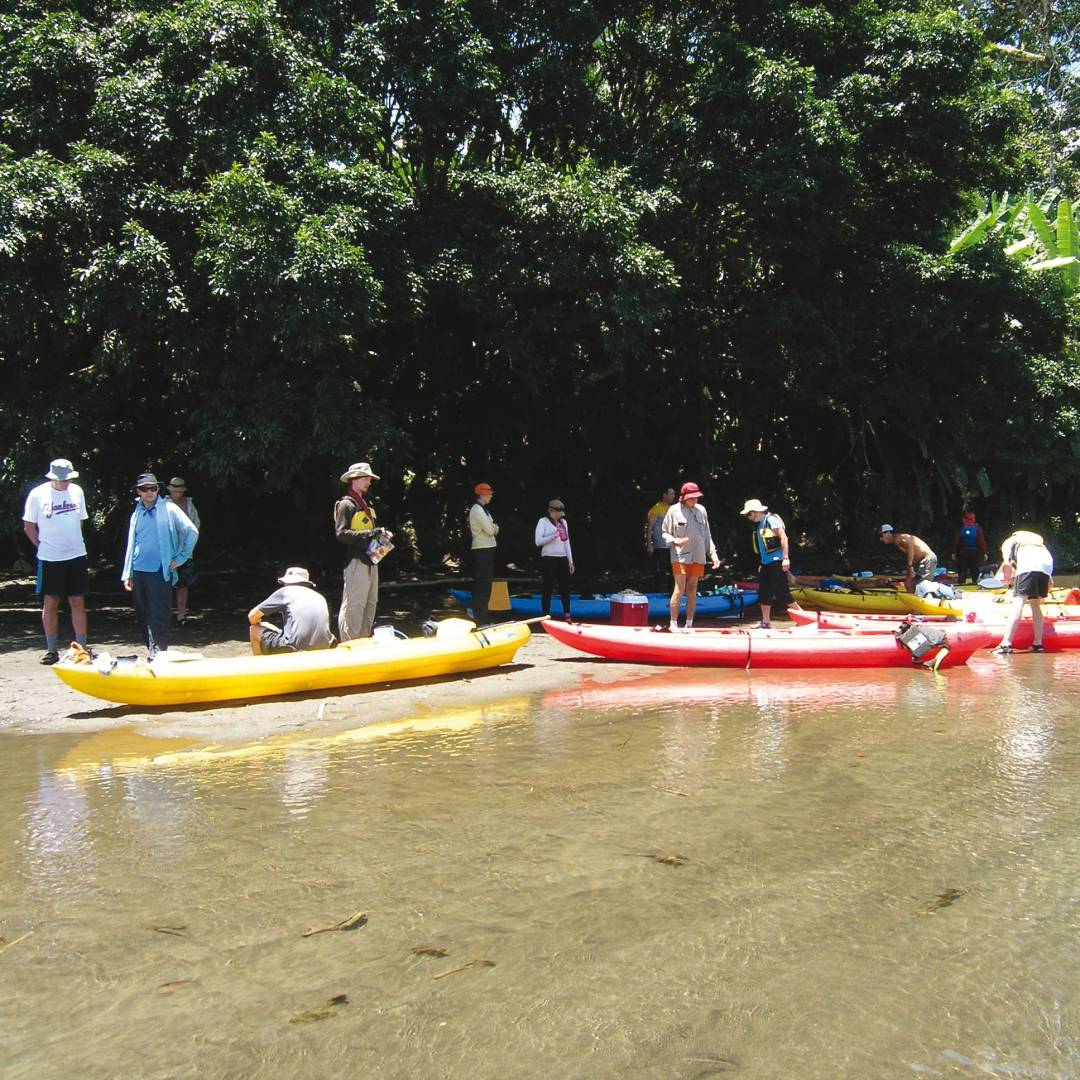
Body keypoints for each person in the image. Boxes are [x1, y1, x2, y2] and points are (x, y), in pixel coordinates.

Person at [121, 473, 199, 658]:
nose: (149, 492)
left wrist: (181, 558)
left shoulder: (169, 508)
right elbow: (132, 543)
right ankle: (152, 650)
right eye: (145, 489)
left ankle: (158, 652)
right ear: (138, 491)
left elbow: (191, 531)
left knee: (159, 613)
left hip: (160, 570)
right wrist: (128, 573)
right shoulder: (137, 511)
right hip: (138, 569)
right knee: (142, 614)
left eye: (153, 488)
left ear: (158, 489)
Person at [22, 457, 91, 664]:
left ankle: (82, 648)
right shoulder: (37, 494)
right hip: (50, 557)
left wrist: (74, 542)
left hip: (77, 555)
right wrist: (41, 546)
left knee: (77, 600)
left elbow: (80, 521)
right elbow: (28, 526)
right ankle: (52, 649)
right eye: (62, 480)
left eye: (68, 479)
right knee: (51, 601)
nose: (66, 483)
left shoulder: (77, 492)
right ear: (52, 478)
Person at [334, 462, 392, 640]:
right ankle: (350, 644)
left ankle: (364, 640)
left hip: (371, 560)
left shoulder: (366, 504)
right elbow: (341, 533)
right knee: (354, 605)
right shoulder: (346, 504)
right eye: (366, 478)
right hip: (356, 561)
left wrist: (382, 536)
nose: (369, 481)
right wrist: (371, 533)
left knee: (370, 603)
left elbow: (369, 534)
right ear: (355, 479)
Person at [662, 482, 720, 632]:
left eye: (696, 498)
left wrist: (713, 554)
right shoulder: (673, 510)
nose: (695, 501)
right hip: (680, 556)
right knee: (679, 587)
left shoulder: (701, 510)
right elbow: (664, 533)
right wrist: (674, 540)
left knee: (693, 588)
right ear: (683, 498)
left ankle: (689, 624)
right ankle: (673, 624)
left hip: (699, 555)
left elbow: (707, 535)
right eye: (692, 498)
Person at [739, 498, 799, 629]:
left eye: (749, 514)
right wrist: (762, 563)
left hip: (776, 562)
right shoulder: (760, 524)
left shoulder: (771, 519)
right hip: (766, 564)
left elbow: (783, 537)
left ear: (755, 512)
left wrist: (786, 558)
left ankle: (803, 617)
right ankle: (765, 622)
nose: (748, 517)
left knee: (782, 592)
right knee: (764, 592)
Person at [992, 531, 1054, 655]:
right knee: (1035, 604)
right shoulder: (1039, 545)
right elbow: (1050, 581)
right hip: (1047, 563)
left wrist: (1008, 581)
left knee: (1018, 602)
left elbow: (1007, 564)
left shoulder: (1009, 542)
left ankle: (1005, 644)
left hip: (1029, 563)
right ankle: (1038, 644)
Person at [248, 567, 335, 655]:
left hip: (294, 647)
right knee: (267, 625)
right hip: (325, 646)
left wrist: (257, 623)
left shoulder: (285, 592)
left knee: (254, 629)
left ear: (287, 582)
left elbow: (252, 615)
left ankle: (260, 665)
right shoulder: (319, 596)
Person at [165, 477, 201, 625]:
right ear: (170, 491)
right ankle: (165, 615)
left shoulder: (189, 504)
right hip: (168, 550)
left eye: (180, 491)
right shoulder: (164, 504)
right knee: (165, 583)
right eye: (175, 491)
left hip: (185, 550)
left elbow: (196, 525)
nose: (178, 494)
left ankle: (181, 615)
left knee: (183, 584)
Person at [535, 498, 574, 619]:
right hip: (549, 558)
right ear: (550, 511)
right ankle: (545, 614)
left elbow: (566, 542)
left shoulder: (563, 523)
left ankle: (567, 613)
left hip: (562, 558)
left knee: (565, 587)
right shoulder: (543, 521)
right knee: (548, 586)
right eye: (557, 513)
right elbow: (538, 541)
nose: (559, 516)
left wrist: (570, 561)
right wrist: (553, 536)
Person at [468, 482, 499, 625]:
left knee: (486, 584)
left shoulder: (484, 510)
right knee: (481, 584)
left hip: (488, 548)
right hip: (481, 550)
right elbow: (491, 529)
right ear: (482, 494)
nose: (491, 496)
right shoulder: (477, 509)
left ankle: (484, 615)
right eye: (489, 494)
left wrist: (493, 527)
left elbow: (493, 528)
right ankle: (480, 616)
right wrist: (493, 527)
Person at [879, 525, 937, 590]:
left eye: (881, 536)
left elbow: (910, 548)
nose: (880, 539)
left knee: (923, 586)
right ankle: (912, 597)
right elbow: (914, 553)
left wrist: (910, 566)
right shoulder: (897, 541)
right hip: (921, 561)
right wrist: (912, 568)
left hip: (927, 559)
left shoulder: (899, 538)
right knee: (909, 582)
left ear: (888, 533)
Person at [645, 487, 676, 588]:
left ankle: (671, 592)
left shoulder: (673, 509)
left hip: (671, 546)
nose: (673, 496)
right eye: (671, 494)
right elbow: (649, 528)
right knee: (660, 571)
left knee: (673, 571)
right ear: (664, 495)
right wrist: (650, 544)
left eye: (673, 494)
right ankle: (658, 592)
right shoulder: (656, 509)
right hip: (660, 546)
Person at [950, 511, 987, 586]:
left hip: (964, 551)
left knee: (963, 567)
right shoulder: (977, 529)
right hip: (972, 551)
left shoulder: (962, 529)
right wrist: (984, 553)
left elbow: (956, 541)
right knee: (973, 567)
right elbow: (981, 542)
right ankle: (974, 581)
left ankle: (962, 581)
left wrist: (954, 552)